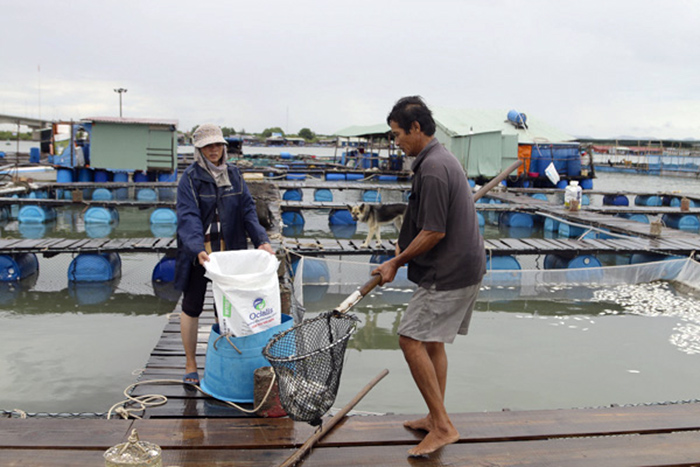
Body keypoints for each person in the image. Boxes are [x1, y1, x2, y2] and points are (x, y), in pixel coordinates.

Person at [372, 96, 486, 457]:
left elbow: (434, 231)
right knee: (431, 341)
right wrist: (403, 247)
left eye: (397, 134)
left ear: (416, 128)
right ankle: (435, 415)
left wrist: (397, 261)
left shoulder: (435, 168)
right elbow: (428, 222)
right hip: (464, 266)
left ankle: (443, 426)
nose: (396, 142)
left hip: (448, 271)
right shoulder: (438, 160)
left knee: (409, 339)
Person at [175, 123, 275, 385]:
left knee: (227, 310)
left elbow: (248, 211)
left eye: (218, 144)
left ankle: (226, 361)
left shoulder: (234, 174)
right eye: (208, 145)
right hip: (201, 254)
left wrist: (261, 240)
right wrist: (197, 248)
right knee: (192, 306)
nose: (214, 150)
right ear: (198, 149)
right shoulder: (189, 178)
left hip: (229, 252)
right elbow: (188, 217)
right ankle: (190, 363)